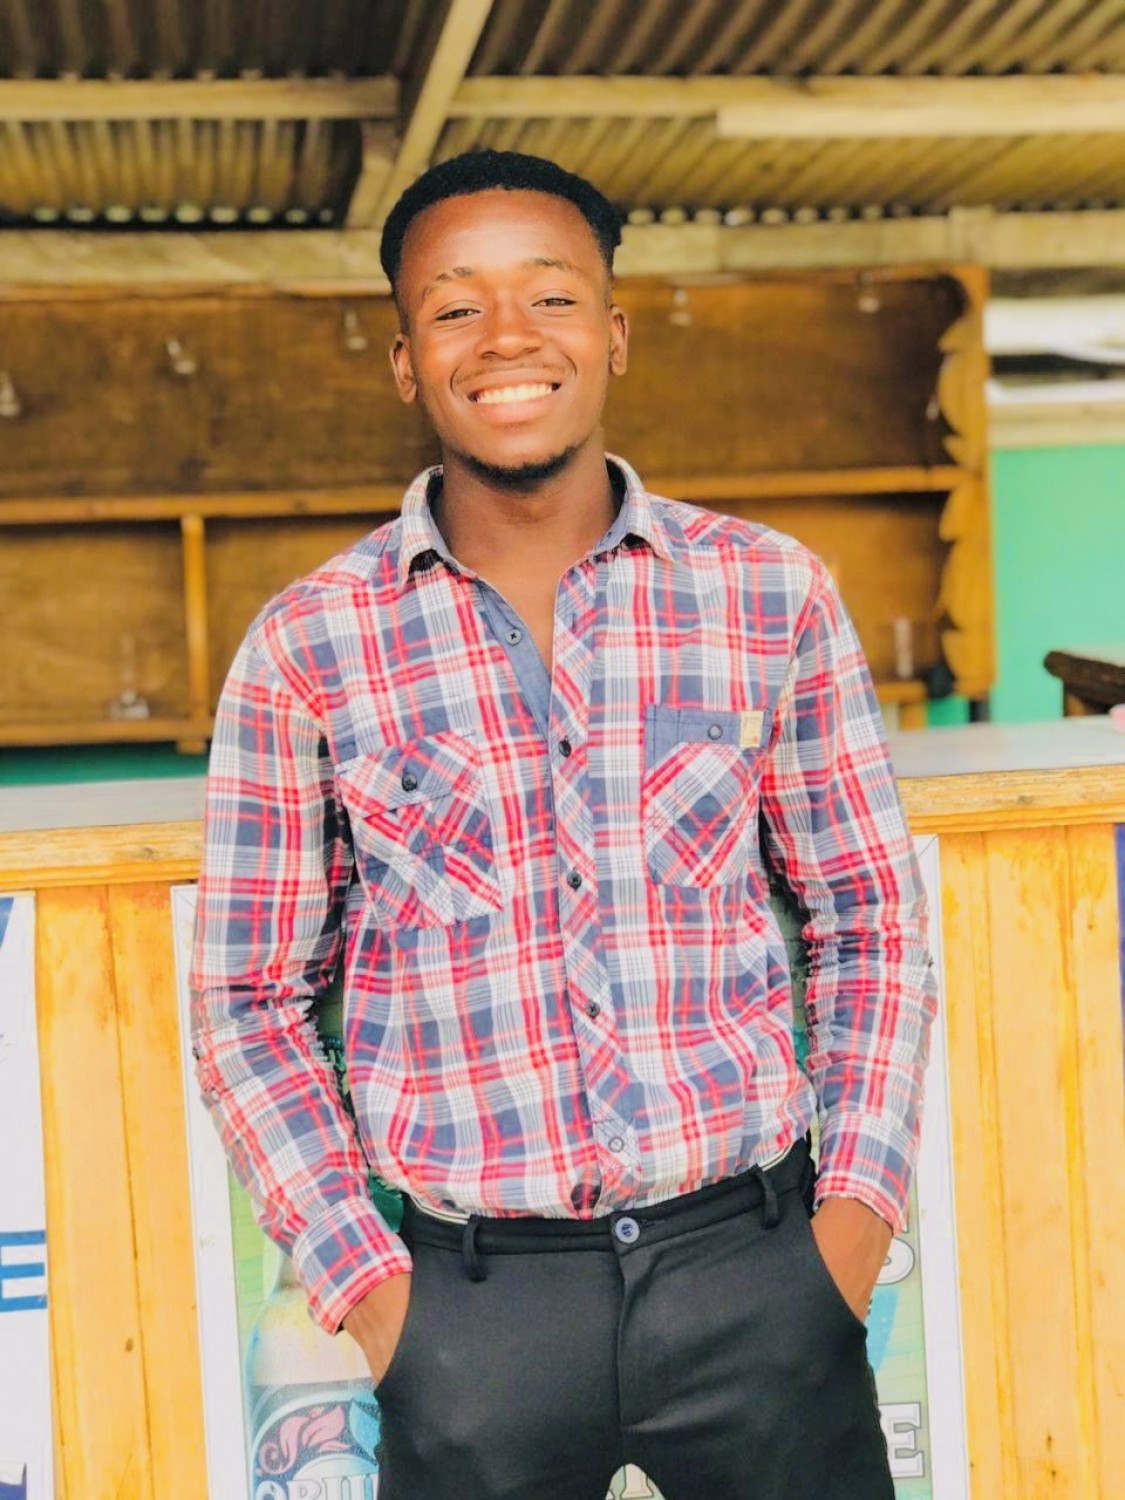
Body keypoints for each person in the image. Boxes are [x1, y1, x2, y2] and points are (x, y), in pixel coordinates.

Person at [191, 149, 937, 1500]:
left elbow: (868, 919)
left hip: (761, 1273)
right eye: (454, 307)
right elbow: (248, 999)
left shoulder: (769, 593)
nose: (507, 338)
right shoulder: (309, 644)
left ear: (613, 332)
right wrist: (376, 1297)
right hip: (470, 1315)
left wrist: (851, 1227)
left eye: (550, 296)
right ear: (406, 361)